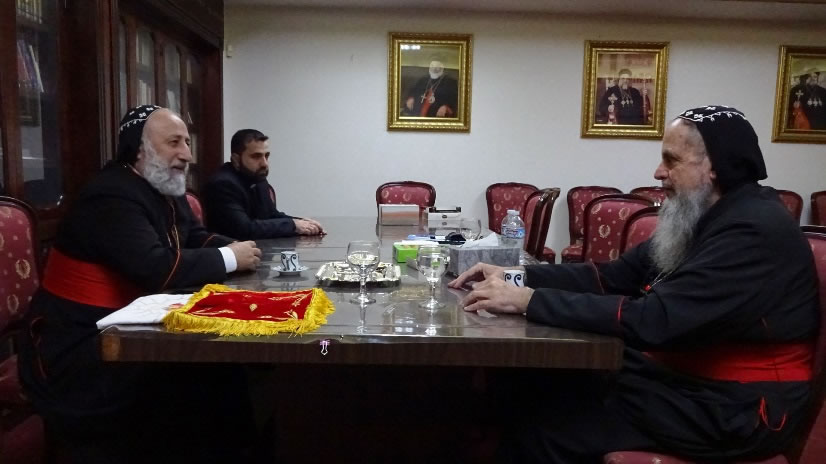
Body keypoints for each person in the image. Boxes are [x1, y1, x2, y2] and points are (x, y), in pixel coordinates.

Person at [450, 105, 819, 462]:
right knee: (533, 384)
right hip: (687, 384)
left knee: (546, 429)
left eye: (671, 160)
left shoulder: (754, 230)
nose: (658, 172)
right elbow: (609, 277)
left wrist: (529, 300)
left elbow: (656, 320)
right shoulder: (705, 215)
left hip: (736, 407)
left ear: (715, 168)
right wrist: (515, 275)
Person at [17, 105, 264, 463]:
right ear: (138, 149)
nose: (188, 154)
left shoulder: (162, 188)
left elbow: (193, 237)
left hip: (130, 328)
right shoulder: (111, 195)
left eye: (187, 142)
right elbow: (155, 268)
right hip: (80, 343)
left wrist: (239, 249)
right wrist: (229, 258)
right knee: (201, 374)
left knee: (223, 368)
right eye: (174, 143)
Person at [203, 129, 324, 240]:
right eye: (256, 157)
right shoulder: (222, 185)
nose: (264, 163)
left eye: (266, 156)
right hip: (231, 252)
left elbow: (271, 215)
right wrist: (293, 225)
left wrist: (303, 223)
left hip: (257, 249)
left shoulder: (257, 178)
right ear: (236, 159)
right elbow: (245, 229)